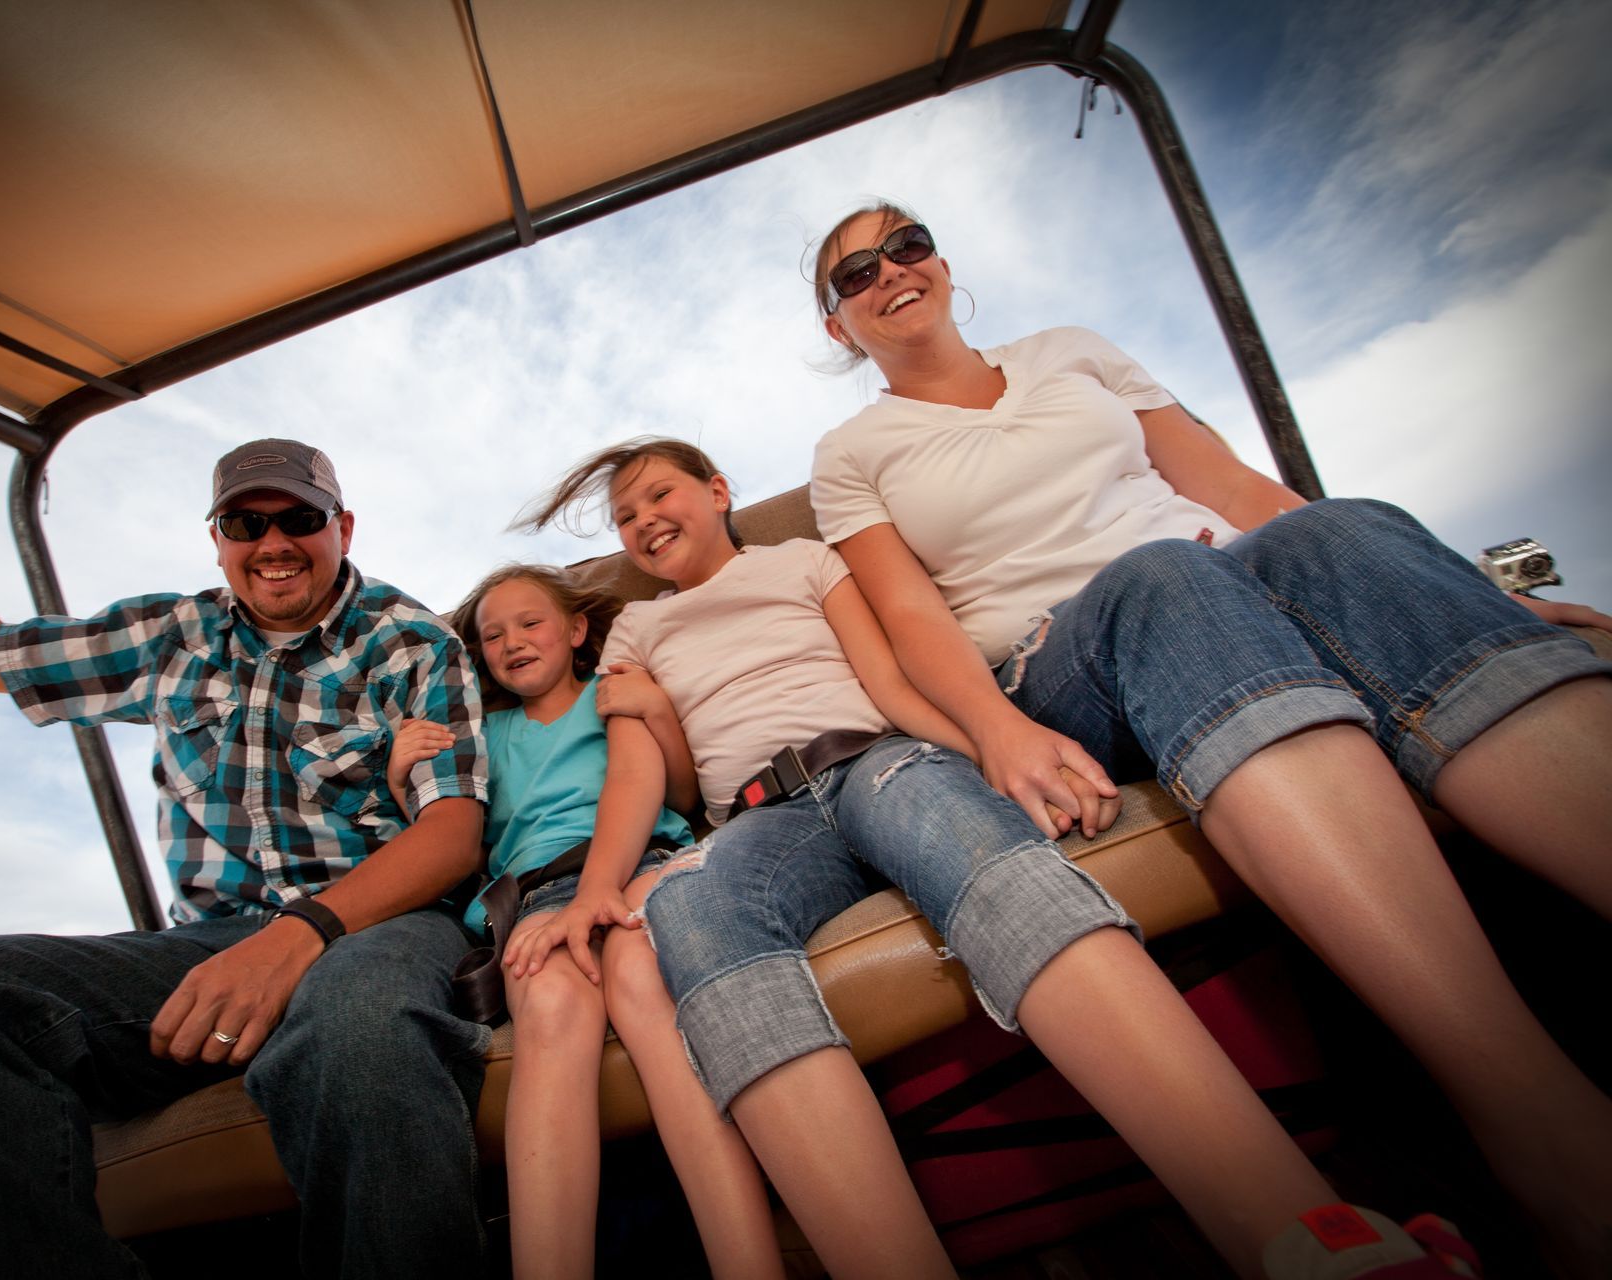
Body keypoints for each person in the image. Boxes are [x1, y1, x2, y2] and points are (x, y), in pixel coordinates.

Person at [805, 200, 1612, 1277]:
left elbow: (1230, 486)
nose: (889, 272)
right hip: (1075, 655)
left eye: (906, 245)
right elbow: (911, 618)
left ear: (941, 262)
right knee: (1165, 575)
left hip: (1227, 575)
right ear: (837, 326)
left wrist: (1459, 586)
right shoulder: (852, 451)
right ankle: (1547, 1130)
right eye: (855, 273)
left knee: (1342, 525)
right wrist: (994, 729)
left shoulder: (1072, 352)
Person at [517, 437, 1477, 1280]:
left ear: (718, 489)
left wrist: (995, 747)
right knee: (691, 911)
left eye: (659, 495)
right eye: (625, 517)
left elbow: (887, 677)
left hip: (874, 754)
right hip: (757, 818)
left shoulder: (806, 560)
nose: (644, 520)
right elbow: (654, 774)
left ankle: (1302, 1229)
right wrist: (597, 888)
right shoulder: (638, 629)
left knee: (942, 813)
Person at [0, 396, 493, 1279]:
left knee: (361, 1031)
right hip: (210, 944)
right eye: (247, 522)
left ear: (343, 526)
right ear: (218, 540)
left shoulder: (408, 644)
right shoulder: (173, 637)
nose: (274, 541)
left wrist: (300, 936)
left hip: (378, 926)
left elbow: (452, 834)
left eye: (300, 518)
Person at [387, 565, 785, 1279]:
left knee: (647, 975)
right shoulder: (483, 734)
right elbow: (462, 850)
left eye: (530, 623)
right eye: (492, 636)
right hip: (536, 894)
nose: (511, 642)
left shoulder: (613, 697)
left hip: (646, 862)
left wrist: (657, 713)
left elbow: (682, 794)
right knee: (551, 1000)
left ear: (575, 630)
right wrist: (401, 784)